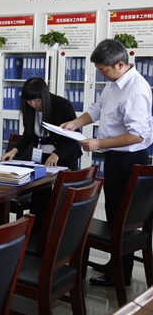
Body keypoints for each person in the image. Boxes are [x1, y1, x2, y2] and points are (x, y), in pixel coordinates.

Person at [61, 39, 153, 287]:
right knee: (114, 213)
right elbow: (98, 108)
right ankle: (116, 265)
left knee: (123, 218)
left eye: (104, 70)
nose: (101, 75)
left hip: (129, 161)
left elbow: (138, 135)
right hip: (115, 159)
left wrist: (99, 143)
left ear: (120, 64)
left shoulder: (135, 90)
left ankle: (121, 274)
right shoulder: (114, 83)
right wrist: (76, 123)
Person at [1, 77, 82, 169]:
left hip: (64, 157)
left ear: (44, 96)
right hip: (41, 158)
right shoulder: (29, 109)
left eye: (36, 100)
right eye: (29, 101)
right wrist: (14, 151)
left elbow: (75, 135)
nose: (32, 104)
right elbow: (28, 136)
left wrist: (57, 154)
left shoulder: (62, 105)